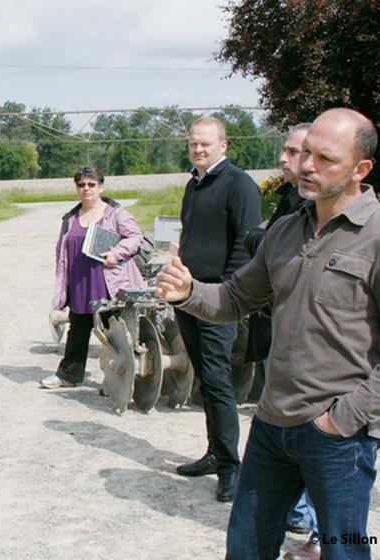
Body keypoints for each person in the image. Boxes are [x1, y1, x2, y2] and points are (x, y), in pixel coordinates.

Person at [156, 108, 379, 559]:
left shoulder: (375, 236)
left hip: (338, 436)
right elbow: (236, 299)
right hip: (271, 426)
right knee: (246, 548)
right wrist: (188, 293)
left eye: (325, 159)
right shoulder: (286, 230)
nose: (307, 166)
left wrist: (345, 418)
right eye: (305, 154)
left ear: (361, 170)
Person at [173, 117, 262, 503]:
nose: (198, 150)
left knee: (218, 381)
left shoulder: (239, 184)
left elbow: (245, 245)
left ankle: (230, 467)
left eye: (206, 145)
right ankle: (214, 452)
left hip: (217, 301)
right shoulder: (194, 184)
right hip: (188, 296)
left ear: (223, 146)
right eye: (194, 144)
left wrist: (225, 295)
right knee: (205, 382)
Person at [243, 124, 320, 559]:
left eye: (297, 151)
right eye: (289, 151)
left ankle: (315, 530)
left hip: (337, 411)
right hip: (283, 376)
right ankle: (304, 518)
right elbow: (242, 291)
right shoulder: (292, 214)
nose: (289, 160)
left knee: (347, 530)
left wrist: (357, 412)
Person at [41, 165, 144, 389]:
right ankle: (68, 375)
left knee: (114, 333)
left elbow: (136, 237)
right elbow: (62, 253)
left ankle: (119, 380)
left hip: (108, 283)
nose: (86, 189)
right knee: (77, 330)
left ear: (100, 187)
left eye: (91, 185)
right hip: (79, 283)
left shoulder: (115, 213)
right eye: (81, 185)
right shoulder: (70, 218)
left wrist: (116, 254)